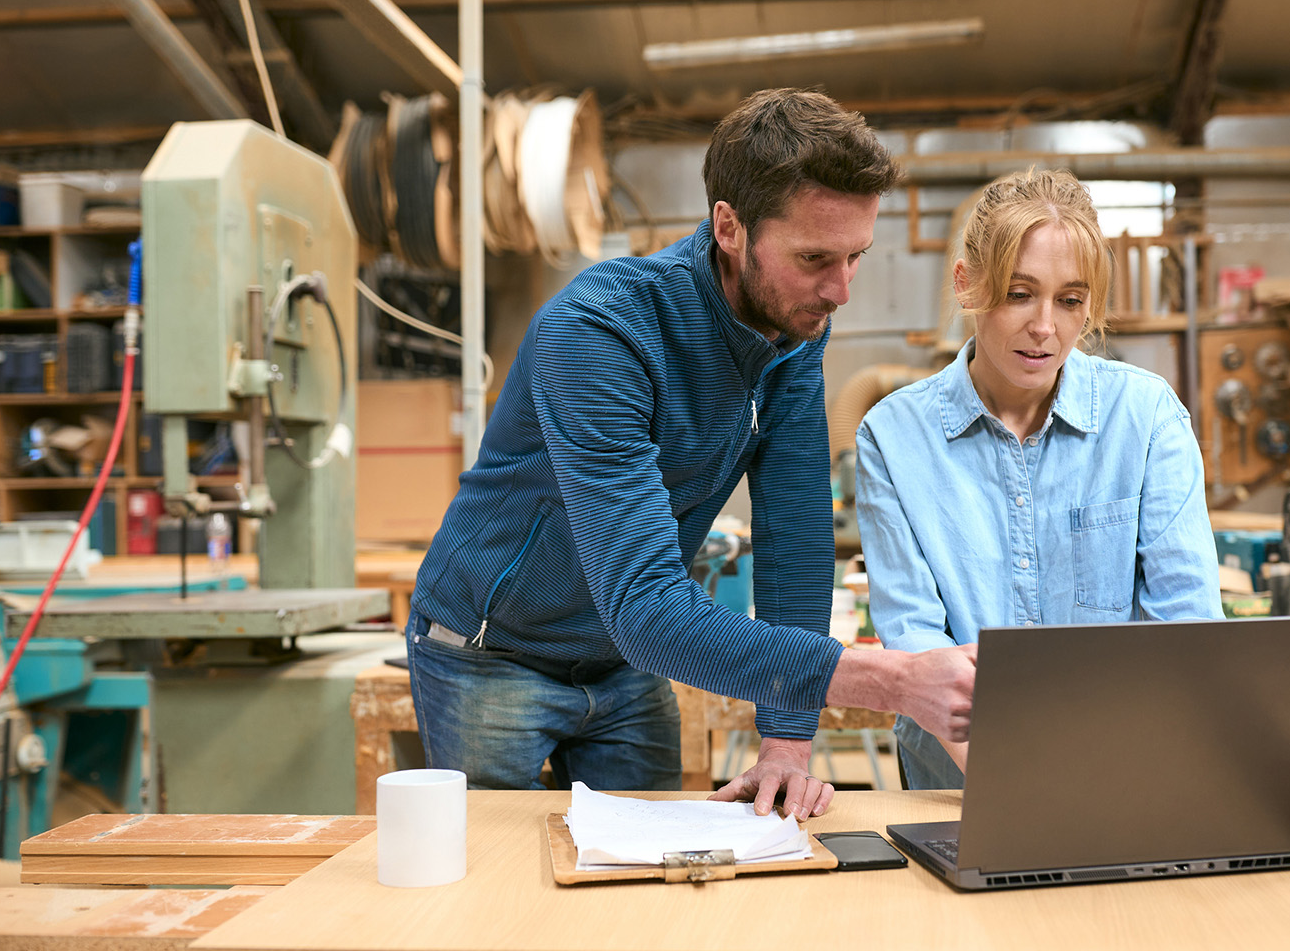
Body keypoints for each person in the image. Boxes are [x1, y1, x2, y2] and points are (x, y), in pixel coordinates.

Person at [408, 88, 981, 820]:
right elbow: (647, 608)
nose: (839, 290)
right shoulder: (599, 333)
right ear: (730, 227)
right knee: (502, 896)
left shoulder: (794, 326)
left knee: (648, 898)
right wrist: (893, 682)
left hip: (623, 664)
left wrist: (785, 739)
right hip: (491, 656)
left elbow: (797, 541)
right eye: (814, 258)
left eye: (856, 257)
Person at [854, 167, 1223, 789]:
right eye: (1019, 293)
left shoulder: (1147, 417)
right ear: (967, 285)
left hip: (1123, 774)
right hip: (959, 787)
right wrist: (1018, 792)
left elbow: (1186, 628)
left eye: (1070, 300)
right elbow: (919, 646)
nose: (1046, 326)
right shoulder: (893, 438)